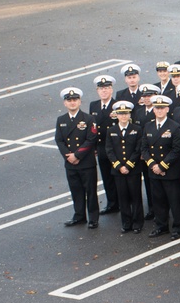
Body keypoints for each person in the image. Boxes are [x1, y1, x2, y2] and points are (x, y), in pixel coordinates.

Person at [142, 94, 180, 239]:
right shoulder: (148, 126)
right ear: (153, 110)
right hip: (154, 170)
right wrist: (153, 165)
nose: (159, 110)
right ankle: (161, 226)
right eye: (156, 108)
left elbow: (176, 150)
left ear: (167, 109)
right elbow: (144, 148)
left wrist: (162, 166)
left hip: (170, 171)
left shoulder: (175, 127)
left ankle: (178, 228)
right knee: (158, 200)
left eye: (162, 108)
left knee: (174, 201)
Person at [55, 87, 100, 229]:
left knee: (91, 191)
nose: (72, 102)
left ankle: (93, 218)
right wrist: (68, 156)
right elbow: (59, 140)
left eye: (75, 100)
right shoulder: (61, 120)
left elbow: (91, 139)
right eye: (69, 100)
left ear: (80, 101)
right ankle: (79, 215)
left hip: (86, 162)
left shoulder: (88, 119)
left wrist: (77, 155)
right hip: (70, 163)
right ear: (65, 103)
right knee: (76, 190)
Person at [105, 101, 145, 233]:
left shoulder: (136, 129)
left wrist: (128, 165)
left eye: (126, 114)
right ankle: (126, 222)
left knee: (135, 196)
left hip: (133, 169)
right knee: (123, 197)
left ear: (129, 115)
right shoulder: (111, 130)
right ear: (116, 115)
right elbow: (109, 150)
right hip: (118, 171)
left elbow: (138, 149)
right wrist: (118, 166)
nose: (123, 116)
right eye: (120, 114)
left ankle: (137, 223)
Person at [89, 75, 119, 215]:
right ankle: (111, 203)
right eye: (101, 89)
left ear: (111, 90)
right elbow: (93, 128)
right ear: (97, 91)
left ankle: (123, 203)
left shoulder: (118, 105)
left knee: (118, 177)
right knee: (106, 177)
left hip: (115, 148)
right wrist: (94, 147)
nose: (104, 91)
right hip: (101, 147)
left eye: (107, 88)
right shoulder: (93, 105)